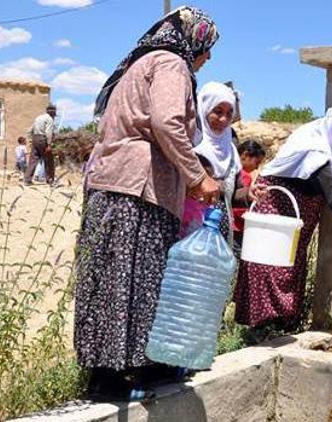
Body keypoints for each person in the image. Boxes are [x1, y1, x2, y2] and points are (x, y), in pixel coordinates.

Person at [73, 6, 220, 401]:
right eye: (207, 50)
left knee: (110, 278)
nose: (206, 60)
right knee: (136, 277)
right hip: (138, 189)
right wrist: (197, 177)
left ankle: (107, 374)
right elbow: (167, 122)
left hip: (112, 182)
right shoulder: (171, 63)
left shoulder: (142, 63)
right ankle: (118, 373)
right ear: (195, 41)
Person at [234, 101, 332, 330]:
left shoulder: (326, 143)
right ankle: (262, 329)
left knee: (288, 268)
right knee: (270, 267)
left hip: (293, 217)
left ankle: (277, 329)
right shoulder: (316, 151)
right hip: (278, 212)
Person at [179, 81, 252, 240]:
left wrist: (249, 193)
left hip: (220, 238)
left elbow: (233, 195)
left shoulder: (231, 151)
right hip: (187, 235)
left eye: (229, 113)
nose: (224, 119)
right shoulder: (188, 147)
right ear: (204, 109)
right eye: (217, 111)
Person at [230, 140, 266, 257]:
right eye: (257, 162)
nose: (257, 167)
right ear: (245, 155)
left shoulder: (231, 171)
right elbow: (237, 206)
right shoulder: (244, 176)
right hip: (236, 227)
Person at [24, 104, 57, 185]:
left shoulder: (38, 118)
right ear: (52, 113)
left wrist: (32, 140)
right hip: (43, 140)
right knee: (49, 160)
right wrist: (49, 145)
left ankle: (27, 180)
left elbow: (30, 130)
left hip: (35, 138)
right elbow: (48, 132)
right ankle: (50, 180)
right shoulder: (49, 119)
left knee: (33, 160)